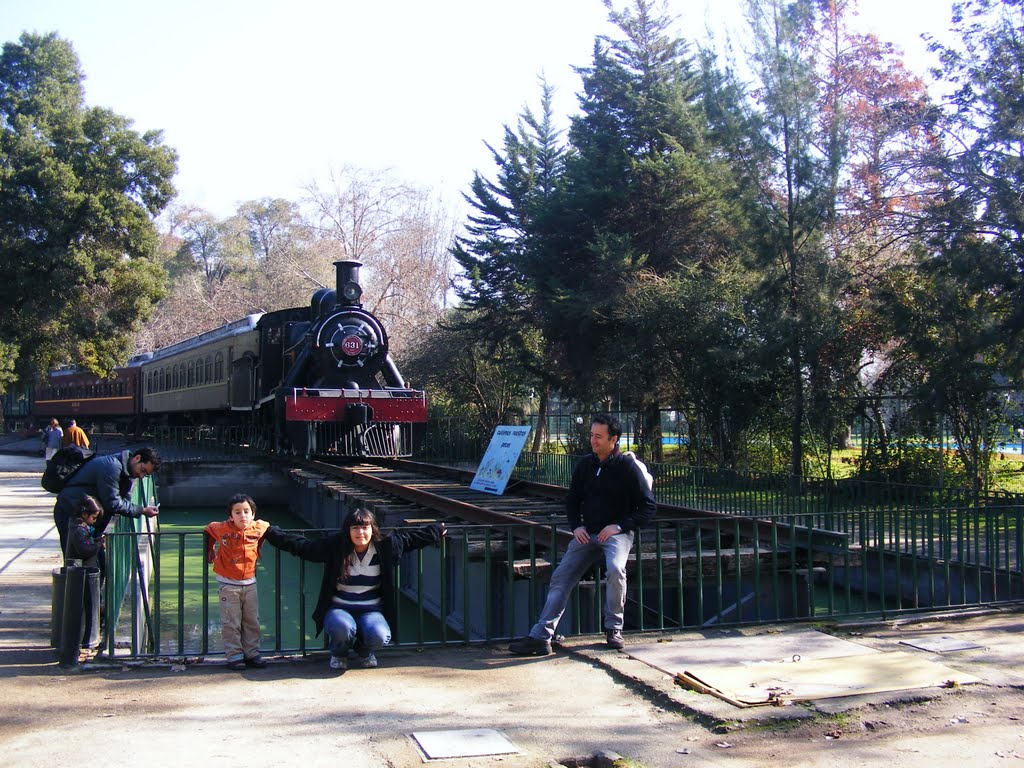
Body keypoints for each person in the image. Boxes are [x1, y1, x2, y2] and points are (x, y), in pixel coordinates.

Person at [509, 414, 656, 656]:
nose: (593, 441)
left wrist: (620, 526)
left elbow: (648, 507)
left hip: (616, 534)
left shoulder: (628, 467)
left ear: (614, 440)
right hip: (588, 534)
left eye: (599, 437)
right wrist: (576, 526)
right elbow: (572, 500)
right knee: (561, 577)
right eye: (591, 435)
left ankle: (613, 629)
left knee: (616, 570)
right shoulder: (585, 464)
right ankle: (541, 636)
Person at [266, 507, 445, 671]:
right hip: (339, 607)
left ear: (372, 529)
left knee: (380, 636)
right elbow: (304, 547)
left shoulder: (385, 546)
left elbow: (411, 540)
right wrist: (271, 533)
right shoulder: (336, 546)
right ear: (348, 531)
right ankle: (339, 653)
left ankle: (364, 649)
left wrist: (435, 531)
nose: (361, 533)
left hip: (371, 608)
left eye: (365, 528)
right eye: (355, 528)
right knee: (341, 626)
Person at [52, 447, 161, 560]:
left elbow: (122, 498)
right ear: (137, 458)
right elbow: (113, 502)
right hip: (70, 511)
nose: (141, 476)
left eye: (145, 474)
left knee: (91, 560)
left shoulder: (126, 470)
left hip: (86, 515)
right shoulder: (112, 467)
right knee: (76, 561)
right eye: (143, 470)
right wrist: (142, 510)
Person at [204, 494, 271, 670]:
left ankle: (252, 653)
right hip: (228, 583)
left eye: (247, 511)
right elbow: (209, 529)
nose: (243, 516)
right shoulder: (222, 528)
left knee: (252, 621)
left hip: (250, 582)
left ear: (253, 514)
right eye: (238, 512)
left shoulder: (258, 527)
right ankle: (234, 655)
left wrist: (260, 546)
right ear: (230, 516)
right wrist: (210, 549)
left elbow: (266, 528)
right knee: (231, 621)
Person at [66, 495, 104, 567]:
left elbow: (85, 542)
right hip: (80, 572)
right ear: (84, 514)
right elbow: (85, 551)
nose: (95, 521)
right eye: (94, 517)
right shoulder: (79, 530)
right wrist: (99, 544)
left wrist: (95, 540)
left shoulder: (78, 527)